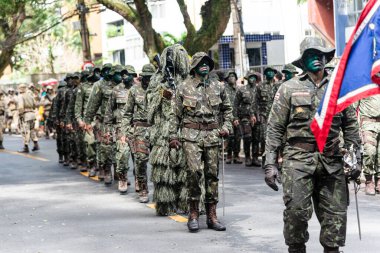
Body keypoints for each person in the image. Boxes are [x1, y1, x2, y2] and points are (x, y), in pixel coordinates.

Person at [264, 37, 361, 253]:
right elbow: (274, 129)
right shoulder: (289, 88)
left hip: (332, 160)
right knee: (296, 213)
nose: (316, 59)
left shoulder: (339, 88)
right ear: (302, 61)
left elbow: (351, 127)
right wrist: (270, 163)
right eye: (311, 55)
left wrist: (355, 160)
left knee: (335, 217)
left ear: (326, 58)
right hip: (298, 160)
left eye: (320, 55)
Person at [169, 52, 231, 232]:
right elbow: (175, 115)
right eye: (200, 63)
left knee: (212, 175)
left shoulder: (218, 86)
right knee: (194, 173)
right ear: (194, 66)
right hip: (191, 135)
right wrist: (173, 136)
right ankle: (194, 213)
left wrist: (226, 126)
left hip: (212, 135)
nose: (204, 65)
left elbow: (227, 110)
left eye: (207, 62)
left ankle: (212, 215)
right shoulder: (183, 87)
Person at [147, 44, 189, 216]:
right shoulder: (157, 79)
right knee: (164, 172)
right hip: (162, 130)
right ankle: (166, 204)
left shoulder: (189, 80)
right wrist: (161, 94)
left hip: (185, 129)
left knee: (187, 171)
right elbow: (148, 106)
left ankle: (188, 204)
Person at [121, 63, 155, 201]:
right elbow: (127, 113)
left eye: (150, 77)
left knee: (160, 162)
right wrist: (125, 131)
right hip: (140, 129)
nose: (148, 80)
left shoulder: (159, 90)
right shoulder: (134, 91)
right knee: (140, 161)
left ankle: (161, 191)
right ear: (141, 77)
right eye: (145, 77)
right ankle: (143, 189)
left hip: (156, 128)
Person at [104, 65, 136, 192]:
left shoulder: (139, 90)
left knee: (139, 158)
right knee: (122, 155)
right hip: (120, 128)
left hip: (137, 128)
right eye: (123, 74)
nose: (124, 76)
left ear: (133, 75)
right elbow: (109, 111)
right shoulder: (116, 90)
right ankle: (122, 178)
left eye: (127, 74)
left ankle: (139, 180)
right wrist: (107, 129)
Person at [84, 63, 115, 183]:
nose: (108, 72)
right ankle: (106, 170)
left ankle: (119, 173)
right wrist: (87, 120)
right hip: (103, 121)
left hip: (117, 121)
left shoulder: (117, 84)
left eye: (110, 70)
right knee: (105, 147)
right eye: (105, 70)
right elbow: (92, 104)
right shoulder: (98, 85)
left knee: (119, 148)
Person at [75, 66, 101, 176]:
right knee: (90, 144)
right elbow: (78, 105)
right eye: (95, 72)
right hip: (88, 121)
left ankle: (103, 167)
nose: (98, 74)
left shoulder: (101, 86)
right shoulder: (83, 87)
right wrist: (79, 120)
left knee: (102, 144)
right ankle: (92, 165)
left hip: (100, 119)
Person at [356, 94, 380, 195]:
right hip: (368, 123)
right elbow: (352, 108)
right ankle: (369, 180)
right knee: (370, 152)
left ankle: (379, 179)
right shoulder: (365, 85)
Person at [233, 70, 258, 166]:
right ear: (247, 79)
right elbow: (235, 104)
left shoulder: (259, 89)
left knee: (256, 138)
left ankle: (255, 157)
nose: (252, 79)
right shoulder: (242, 89)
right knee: (248, 137)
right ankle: (247, 156)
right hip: (245, 117)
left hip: (258, 117)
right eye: (250, 77)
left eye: (254, 77)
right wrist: (235, 117)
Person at [256, 67, 276, 166]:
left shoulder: (279, 86)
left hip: (276, 117)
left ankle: (274, 160)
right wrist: (256, 115)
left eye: (272, 71)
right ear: (265, 74)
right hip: (264, 116)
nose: (270, 73)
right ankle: (265, 160)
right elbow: (255, 102)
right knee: (264, 138)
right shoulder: (260, 86)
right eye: (268, 71)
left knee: (276, 138)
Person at [224, 70, 242, 164]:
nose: (232, 78)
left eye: (233, 76)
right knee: (229, 136)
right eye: (230, 76)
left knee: (238, 136)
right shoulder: (224, 89)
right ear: (227, 79)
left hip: (238, 116)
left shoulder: (239, 89)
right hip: (227, 116)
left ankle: (236, 155)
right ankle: (229, 154)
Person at [17, 84, 39, 153]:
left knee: (25, 131)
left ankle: (25, 147)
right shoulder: (30, 95)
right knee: (32, 130)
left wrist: (20, 115)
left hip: (25, 115)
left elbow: (20, 107)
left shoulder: (21, 96)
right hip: (32, 114)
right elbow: (35, 105)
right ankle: (36, 144)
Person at [51, 79, 68, 163]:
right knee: (62, 138)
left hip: (65, 119)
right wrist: (56, 120)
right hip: (61, 119)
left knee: (65, 138)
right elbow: (55, 109)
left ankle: (66, 156)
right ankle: (62, 155)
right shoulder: (56, 98)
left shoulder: (70, 92)